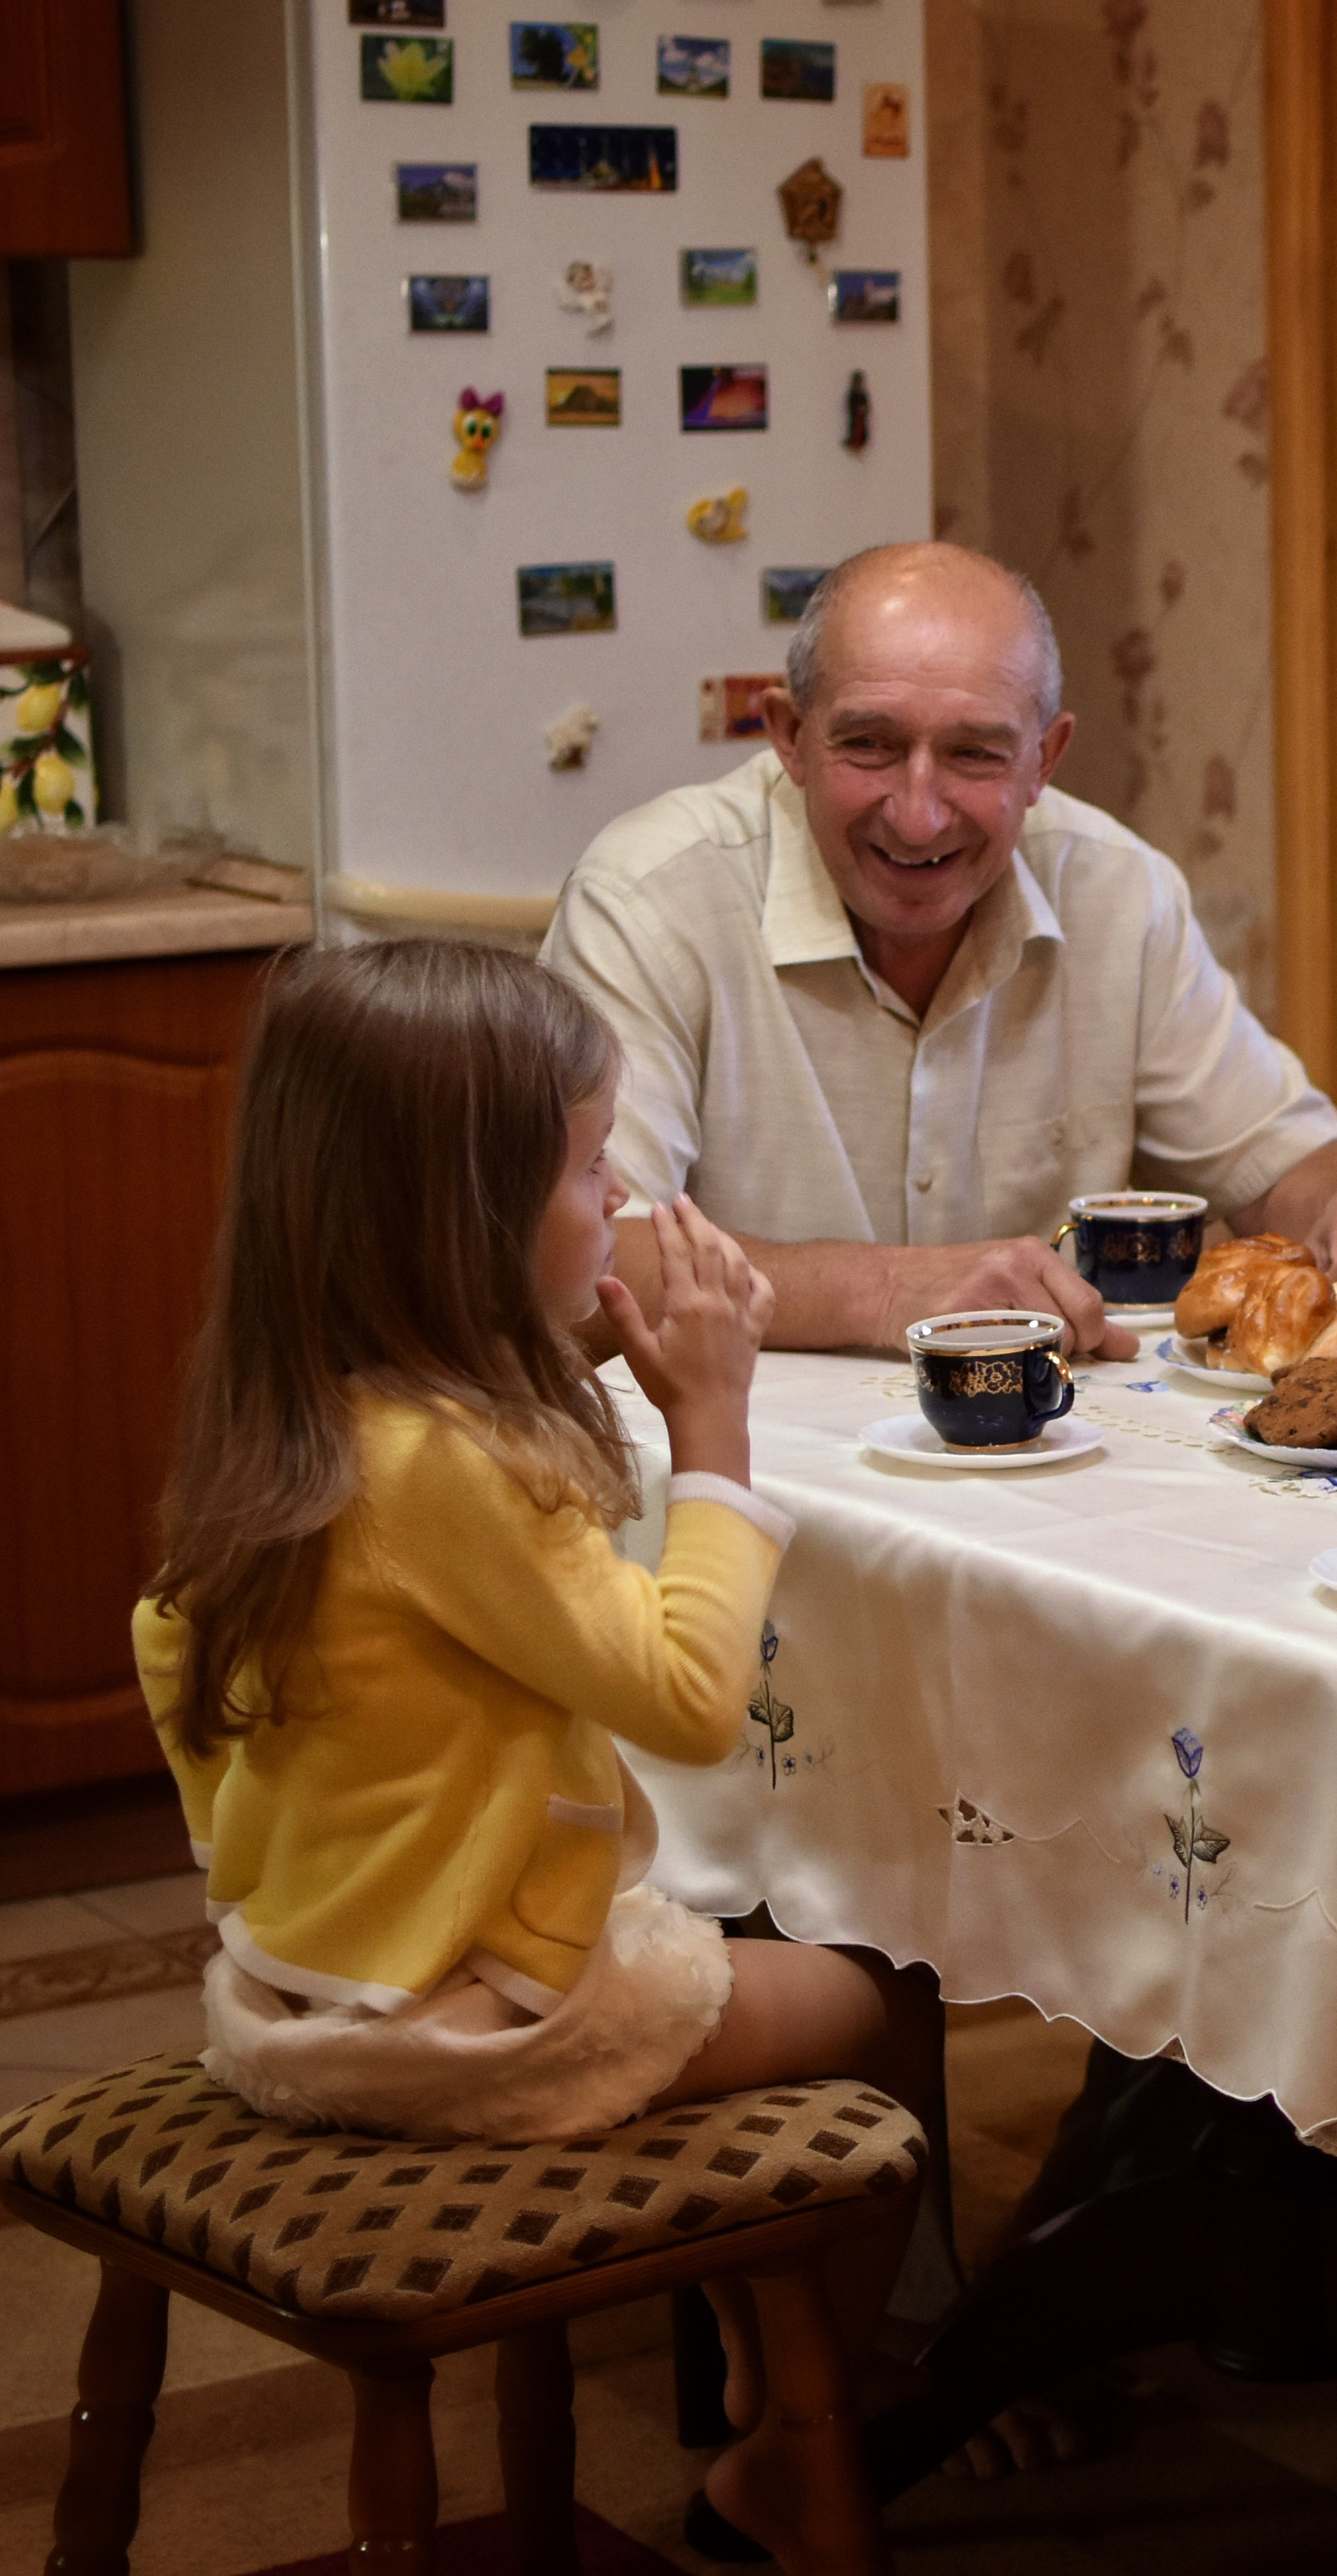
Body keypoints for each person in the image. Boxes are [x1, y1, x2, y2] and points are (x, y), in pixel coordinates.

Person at [132, 939, 942, 2572]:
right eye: (586, 1167)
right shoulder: (453, 1468)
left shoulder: (299, 1413)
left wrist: (297, 1876)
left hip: (303, 1990)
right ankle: (795, 2430)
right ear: (463, 1218)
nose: (620, 1196)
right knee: (884, 1985)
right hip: (466, 2031)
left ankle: (759, 2380)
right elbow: (690, 1696)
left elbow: (169, 1651)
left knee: (725, 1947)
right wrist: (713, 1427)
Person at [542, 540, 1337, 1362]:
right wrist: (891, 1291)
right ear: (789, 736)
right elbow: (572, 1263)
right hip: (734, 1464)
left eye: (975, 755)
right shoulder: (650, 897)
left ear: (1044, 760)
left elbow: (1288, 1164)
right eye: (870, 745)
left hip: (1049, 1457)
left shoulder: (1120, 892)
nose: (918, 815)